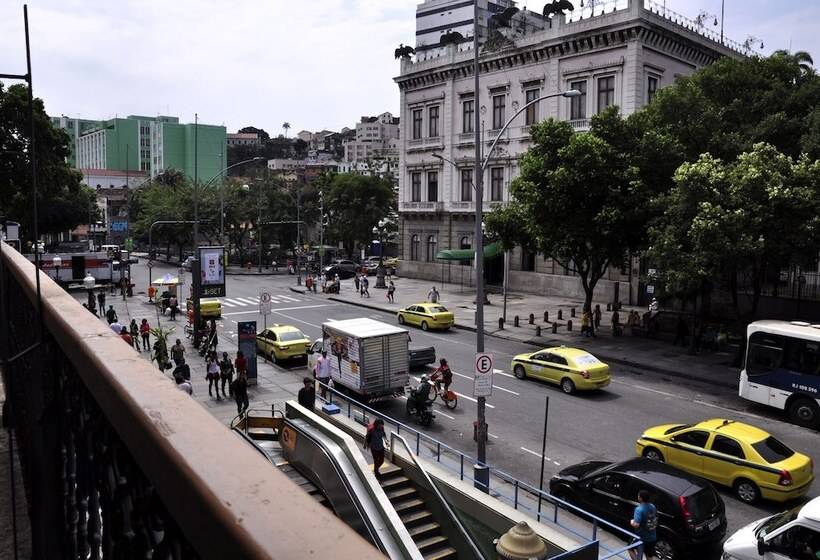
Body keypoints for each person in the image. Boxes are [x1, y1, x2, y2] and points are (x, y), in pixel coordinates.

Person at [629, 490, 658, 560]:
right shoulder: (652, 506)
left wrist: (631, 521)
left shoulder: (639, 509)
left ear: (640, 498)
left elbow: (636, 525)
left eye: (638, 496)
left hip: (641, 537)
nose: (637, 497)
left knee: (630, 547)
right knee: (649, 555)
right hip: (652, 536)